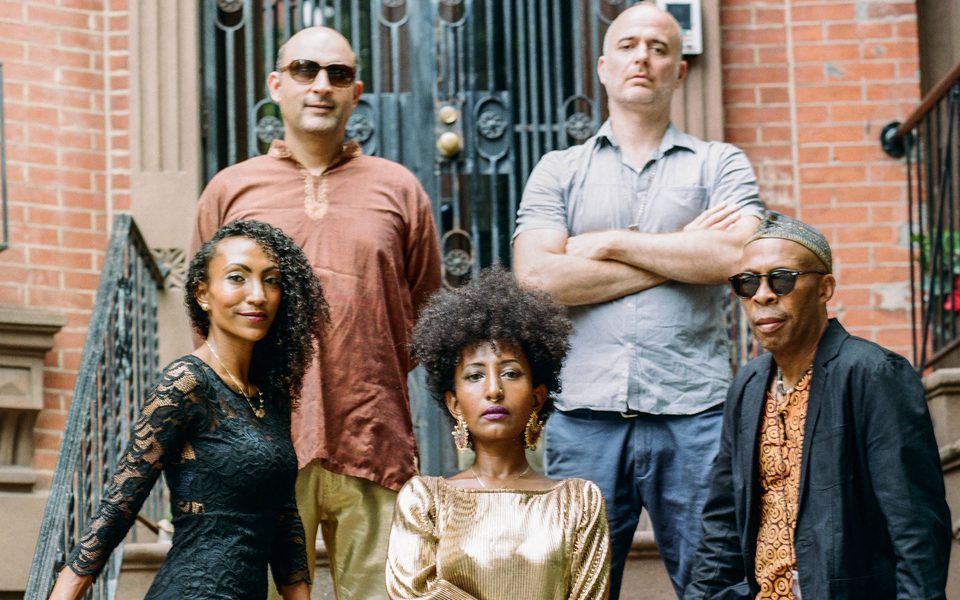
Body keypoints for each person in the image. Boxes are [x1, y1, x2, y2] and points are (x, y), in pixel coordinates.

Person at [512, 3, 764, 596]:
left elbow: (737, 258)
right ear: (603, 67)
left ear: (679, 69)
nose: (642, 57)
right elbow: (539, 279)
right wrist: (682, 254)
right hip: (585, 418)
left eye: (658, 47)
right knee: (578, 588)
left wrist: (610, 244)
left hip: (696, 416)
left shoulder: (718, 163)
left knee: (717, 587)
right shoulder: (558, 170)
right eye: (628, 45)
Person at [191, 26, 442, 598]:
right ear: (277, 85)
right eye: (305, 70)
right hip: (264, 442)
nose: (321, 85)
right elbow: (206, 322)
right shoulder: (231, 191)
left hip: (374, 438)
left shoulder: (399, 189)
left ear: (357, 93)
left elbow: (427, 317)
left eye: (339, 74)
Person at [49, 220, 327, 599]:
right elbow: (122, 500)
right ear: (203, 294)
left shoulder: (270, 395)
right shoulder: (186, 382)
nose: (258, 295)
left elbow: (284, 516)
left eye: (272, 280)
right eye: (237, 278)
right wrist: (66, 589)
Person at [684, 213, 951, 600]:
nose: (762, 295)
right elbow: (723, 522)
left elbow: (914, 526)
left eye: (782, 279)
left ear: (825, 288)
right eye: (747, 283)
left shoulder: (873, 374)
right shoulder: (748, 384)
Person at [385, 267, 610, 599]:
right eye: (475, 376)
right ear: (454, 404)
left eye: (510, 373)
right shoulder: (425, 499)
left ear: (537, 396)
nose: (494, 390)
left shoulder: (580, 502)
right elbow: (412, 594)